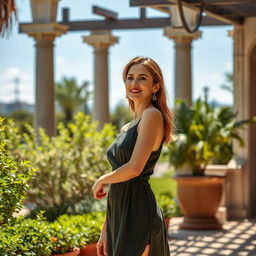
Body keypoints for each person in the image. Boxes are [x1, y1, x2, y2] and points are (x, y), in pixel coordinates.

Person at [92, 56, 175, 256]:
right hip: (120, 210)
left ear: (156, 86)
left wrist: (102, 179)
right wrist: (106, 229)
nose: (134, 83)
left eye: (142, 78)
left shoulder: (152, 116)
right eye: (130, 78)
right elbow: (119, 177)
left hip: (138, 209)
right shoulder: (128, 126)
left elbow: (134, 168)